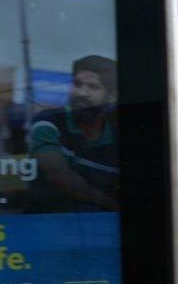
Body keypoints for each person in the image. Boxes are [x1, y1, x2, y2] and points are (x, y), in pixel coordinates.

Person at [27, 55, 119, 212]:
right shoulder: (49, 121)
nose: (82, 93)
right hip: (49, 223)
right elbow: (58, 176)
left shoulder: (115, 134)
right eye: (77, 84)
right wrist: (113, 206)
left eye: (93, 87)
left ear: (110, 96)